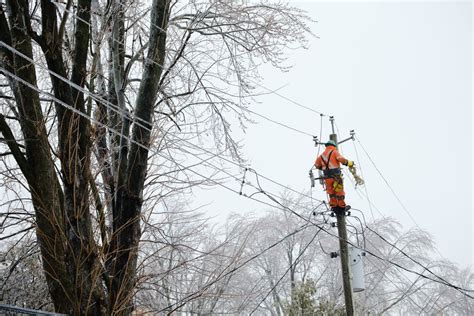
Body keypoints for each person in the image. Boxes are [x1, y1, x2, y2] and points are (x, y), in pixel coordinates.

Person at [315, 140, 354, 212]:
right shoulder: (334, 152)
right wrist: (350, 163)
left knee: (331, 192)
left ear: (326, 146)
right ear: (334, 146)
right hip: (336, 177)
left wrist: (323, 167)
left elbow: (317, 165)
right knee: (339, 191)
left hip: (327, 177)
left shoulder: (322, 155)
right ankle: (341, 208)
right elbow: (342, 160)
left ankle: (334, 208)